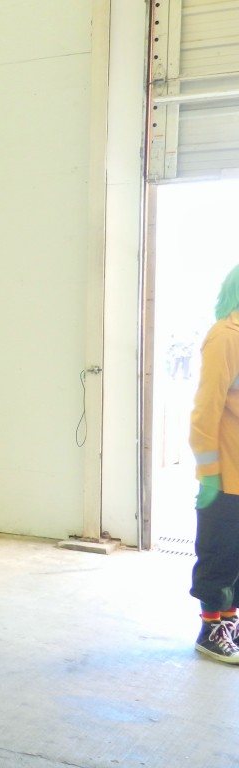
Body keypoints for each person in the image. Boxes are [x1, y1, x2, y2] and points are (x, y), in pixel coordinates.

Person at [190, 263, 239, 664]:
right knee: (219, 554)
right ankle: (211, 629)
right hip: (226, 476)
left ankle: (230, 622)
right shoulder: (224, 337)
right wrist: (208, 475)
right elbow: (205, 412)